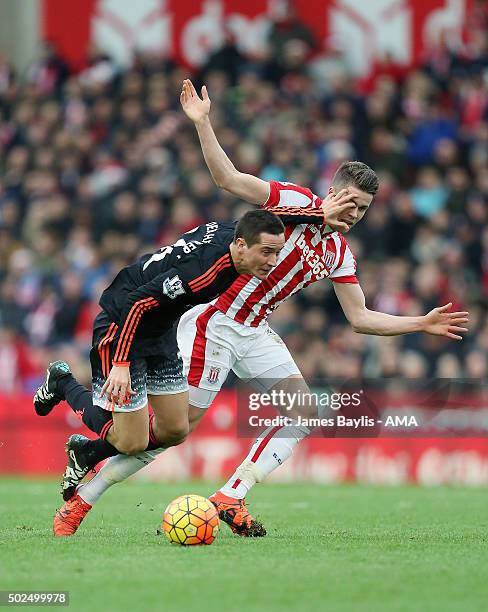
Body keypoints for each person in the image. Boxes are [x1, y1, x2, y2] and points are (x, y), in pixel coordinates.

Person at [49, 80, 469, 537]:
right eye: (350, 202)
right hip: (213, 322)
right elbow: (228, 179)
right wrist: (203, 123)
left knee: (303, 413)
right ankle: (83, 493)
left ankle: (231, 495)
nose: (354, 214)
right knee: (169, 432)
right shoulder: (293, 204)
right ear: (332, 191)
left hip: (255, 331)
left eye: (363, 209)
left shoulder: (339, 254)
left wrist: (420, 323)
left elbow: (361, 318)